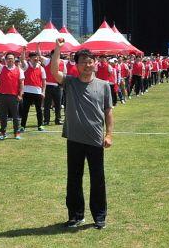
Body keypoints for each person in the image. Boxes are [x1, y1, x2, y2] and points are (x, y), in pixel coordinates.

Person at [50, 39, 113, 230]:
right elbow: (54, 71)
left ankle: (99, 216)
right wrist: (58, 48)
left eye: (90, 61)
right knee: (74, 178)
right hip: (74, 139)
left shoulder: (103, 85)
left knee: (98, 179)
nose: (87, 64)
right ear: (76, 65)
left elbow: (108, 111)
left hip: (95, 139)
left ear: (95, 63)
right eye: (83, 61)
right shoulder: (70, 82)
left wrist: (109, 134)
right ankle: (76, 215)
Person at [0, 52, 24, 140]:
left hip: (14, 96)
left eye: (12, 58)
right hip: (2, 96)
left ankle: (17, 133)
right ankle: (2, 133)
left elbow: (21, 83)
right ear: (6, 60)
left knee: (16, 116)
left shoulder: (19, 70)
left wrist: (20, 94)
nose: (10, 60)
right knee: (3, 116)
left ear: (14, 59)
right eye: (8, 58)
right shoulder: (2, 68)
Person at [20, 48, 46, 131]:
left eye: (37, 57)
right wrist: (24, 51)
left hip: (38, 92)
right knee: (25, 110)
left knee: (39, 110)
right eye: (34, 57)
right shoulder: (26, 65)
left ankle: (40, 125)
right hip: (27, 91)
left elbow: (44, 81)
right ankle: (22, 126)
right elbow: (22, 59)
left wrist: (43, 92)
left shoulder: (41, 68)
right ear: (29, 58)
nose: (36, 58)